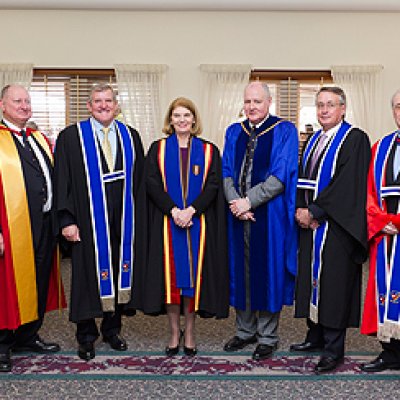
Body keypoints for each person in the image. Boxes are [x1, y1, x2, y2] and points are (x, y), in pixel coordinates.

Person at [53, 83, 145, 361]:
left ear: (117, 105)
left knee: (118, 272)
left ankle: (112, 329)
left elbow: (139, 181)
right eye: (97, 101)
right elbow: (62, 181)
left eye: (108, 100)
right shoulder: (71, 137)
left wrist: (138, 220)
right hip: (87, 219)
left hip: (122, 220)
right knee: (85, 277)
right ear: (89, 106)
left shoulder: (130, 136)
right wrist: (67, 220)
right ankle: (86, 336)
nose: (103, 105)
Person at [135, 97, 229, 356]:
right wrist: (174, 210)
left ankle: (190, 331)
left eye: (187, 115)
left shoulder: (210, 151)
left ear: (194, 119)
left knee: (193, 283)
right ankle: (174, 332)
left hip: (198, 224)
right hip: (167, 225)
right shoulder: (158, 149)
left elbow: (213, 185)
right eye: (177, 116)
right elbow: (151, 184)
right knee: (171, 281)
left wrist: (191, 210)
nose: (182, 120)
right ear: (170, 120)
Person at [292, 86, 371, 373]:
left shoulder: (354, 139)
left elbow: (347, 184)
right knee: (312, 282)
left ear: (343, 109)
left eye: (330, 105)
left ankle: (333, 348)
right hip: (310, 224)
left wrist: (315, 211)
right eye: (320, 105)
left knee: (334, 287)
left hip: (337, 227)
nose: (324, 110)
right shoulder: (314, 139)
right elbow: (303, 179)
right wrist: (300, 211)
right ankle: (314, 335)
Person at [222, 81, 298, 361]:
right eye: (248, 102)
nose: (252, 107)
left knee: (268, 271)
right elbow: (226, 171)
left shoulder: (284, 130)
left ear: (269, 103)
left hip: (270, 216)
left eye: (257, 101)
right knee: (240, 269)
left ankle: (267, 336)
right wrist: (236, 204)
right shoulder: (234, 131)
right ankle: (244, 331)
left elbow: (280, 175)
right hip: (237, 214)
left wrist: (248, 202)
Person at [0, 84, 64, 373]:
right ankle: (2, 343)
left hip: (44, 224)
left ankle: (28, 335)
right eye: (17, 101)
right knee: (6, 285)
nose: (24, 106)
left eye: (27, 101)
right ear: (3, 105)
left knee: (38, 279)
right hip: (10, 227)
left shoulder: (37, 138)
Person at [360, 89, 400, 372]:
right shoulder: (381, 147)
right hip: (386, 234)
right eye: (398, 106)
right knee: (385, 292)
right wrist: (379, 221)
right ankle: (391, 352)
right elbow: (369, 193)